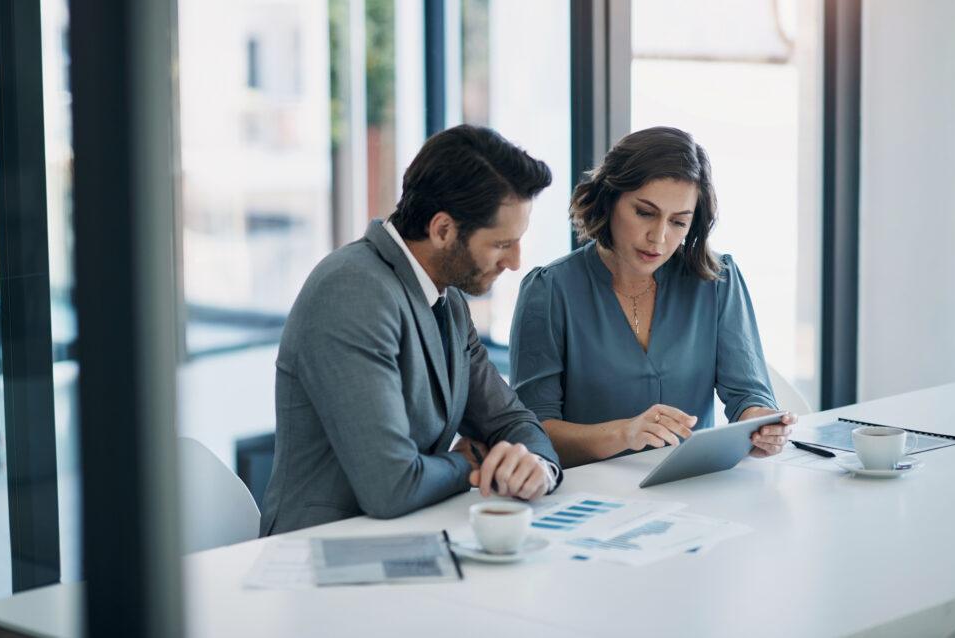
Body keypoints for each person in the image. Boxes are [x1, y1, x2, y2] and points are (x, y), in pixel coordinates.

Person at [260, 125, 562, 535]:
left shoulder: (448, 300)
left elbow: (511, 419)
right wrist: (472, 463)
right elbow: (392, 485)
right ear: (442, 230)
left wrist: (536, 466)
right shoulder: (351, 290)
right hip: (323, 554)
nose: (515, 262)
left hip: (412, 538)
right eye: (501, 244)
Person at [509, 126, 796, 468]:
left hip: (691, 487)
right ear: (609, 199)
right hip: (588, 496)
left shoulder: (717, 281)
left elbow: (748, 394)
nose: (658, 238)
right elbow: (531, 433)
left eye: (678, 222)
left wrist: (761, 424)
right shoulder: (549, 291)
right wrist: (624, 433)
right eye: (645, 212)